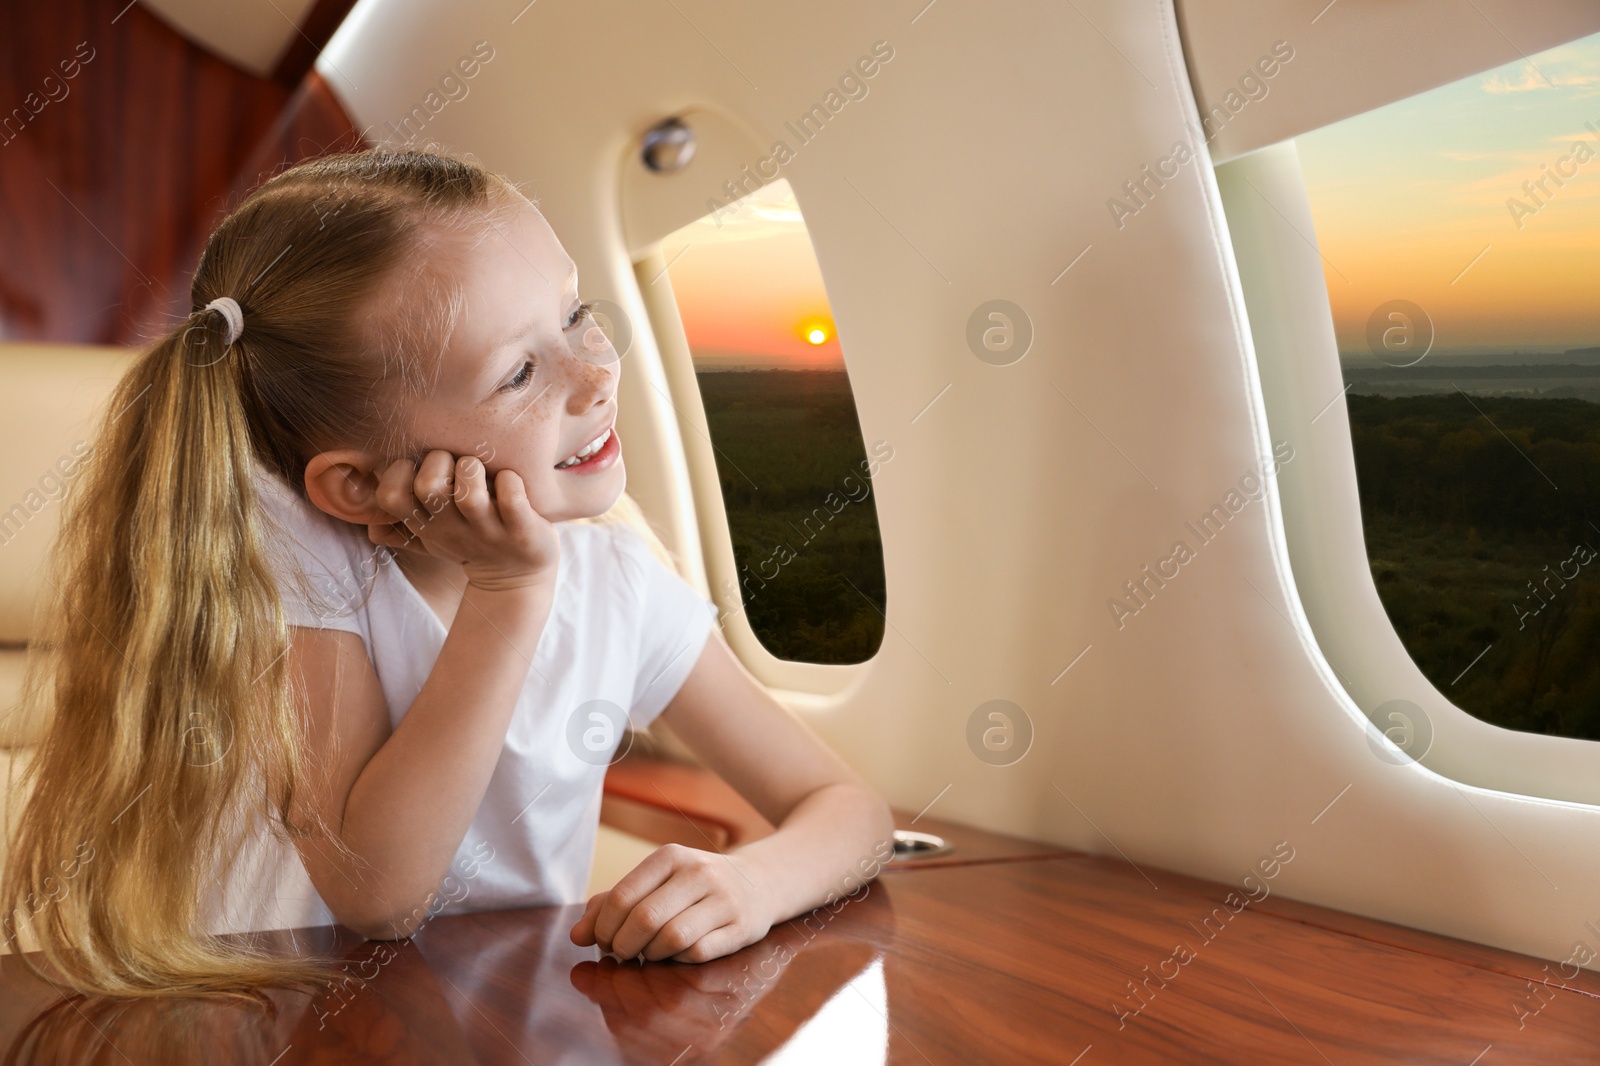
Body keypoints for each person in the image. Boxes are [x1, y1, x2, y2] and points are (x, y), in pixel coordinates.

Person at [0, 147, 895, 999]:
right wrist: (509, 596)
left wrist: (754, 884)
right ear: (353, 484)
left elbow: (845, 806)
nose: (595, 374)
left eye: (577, 315)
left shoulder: (617, 573)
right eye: (518, 373)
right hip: (289, 1011)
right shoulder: (300, 567)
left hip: (509, 1011)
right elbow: (377, 896)